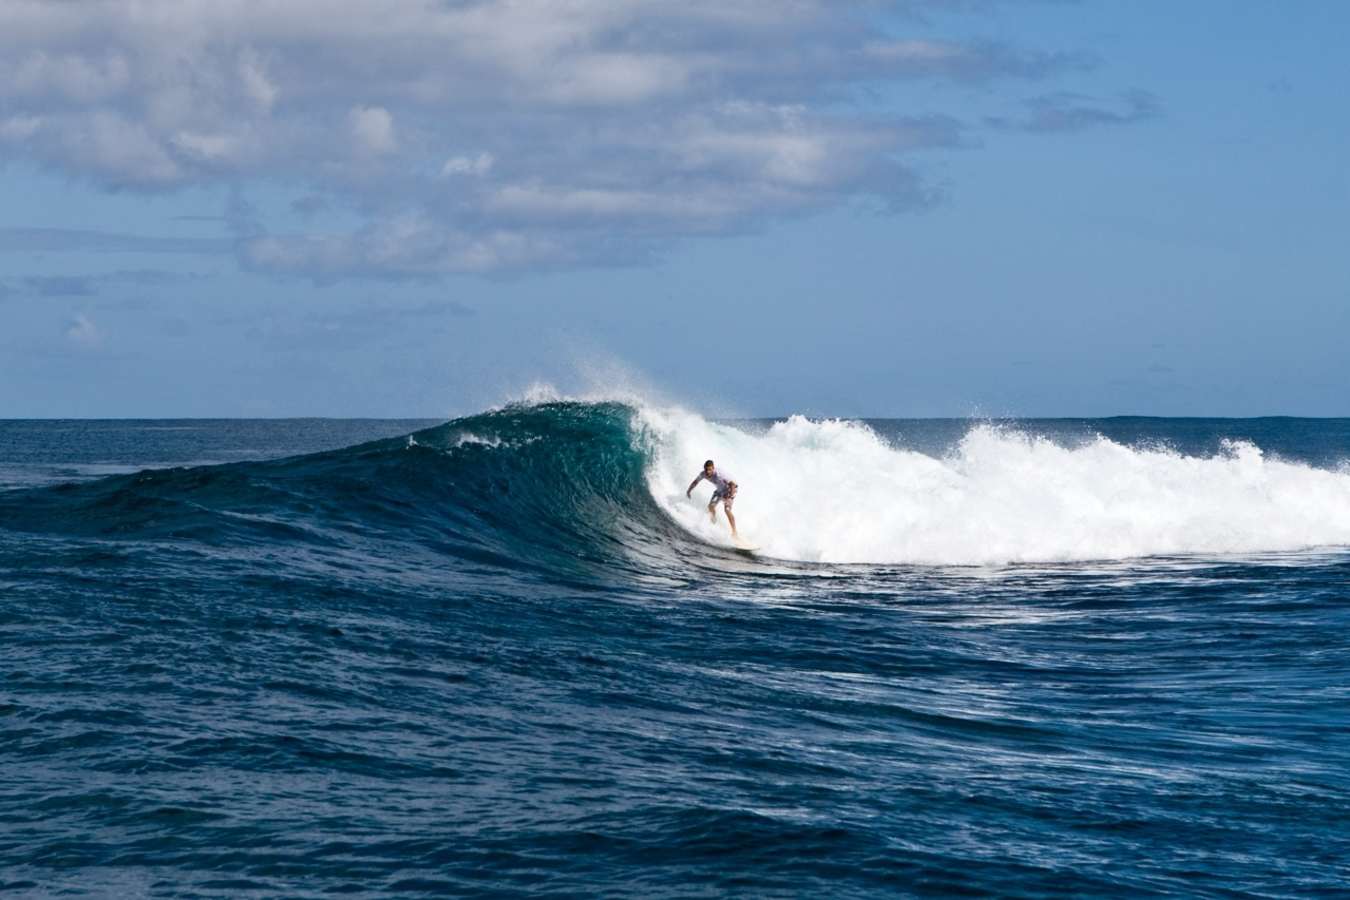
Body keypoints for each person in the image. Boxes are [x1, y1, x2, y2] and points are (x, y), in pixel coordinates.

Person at [687, 459, 738, 537]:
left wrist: (729, 495)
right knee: (710, 506)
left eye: (710, 470)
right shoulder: (703, 474)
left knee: (727, 509)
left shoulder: (719, 475)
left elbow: (733, 484)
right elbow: (695, 482)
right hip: (719, 491)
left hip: (730, 490)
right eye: (706, 470)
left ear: (713, 468)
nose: (708, 472)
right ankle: (714, 520)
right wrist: (689, 490)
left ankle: (734, 532)